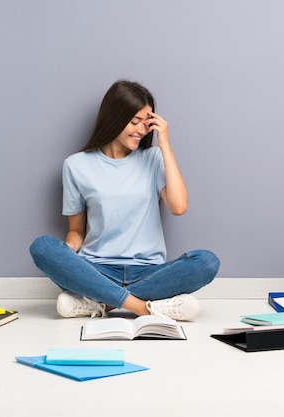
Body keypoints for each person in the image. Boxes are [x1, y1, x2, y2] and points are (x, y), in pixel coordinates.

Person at [30, 80, 220, 321]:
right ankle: (145, 307)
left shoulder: (153, 158)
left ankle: (102, 304)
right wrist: (64, 255)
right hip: (96, 270)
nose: (141, 130)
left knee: (207, 262)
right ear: (114, 118)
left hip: (150, 272)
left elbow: (179, 206)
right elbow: (76, 231)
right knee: (42, 247)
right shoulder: (76, 165)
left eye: (146, 123)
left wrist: (165, 145)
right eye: (134, 122)